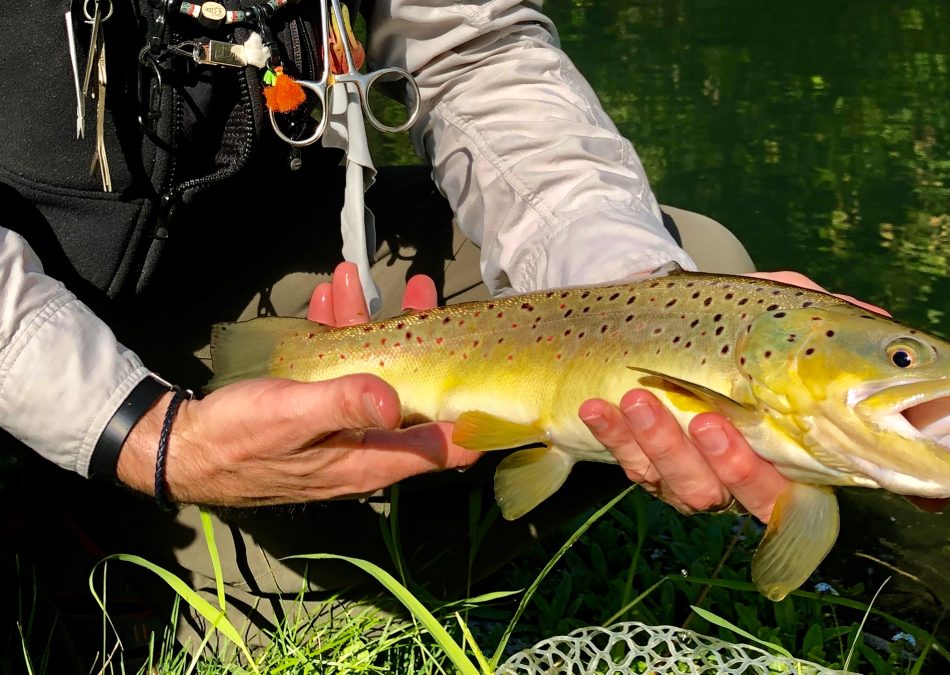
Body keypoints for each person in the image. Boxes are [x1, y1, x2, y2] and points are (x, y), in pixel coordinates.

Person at [0, 0, 876, 658]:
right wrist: (142, 433)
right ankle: (84, 525)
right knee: (281, 597)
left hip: (228, 265)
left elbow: (475, 54)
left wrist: (634, 305)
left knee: (699, 259)